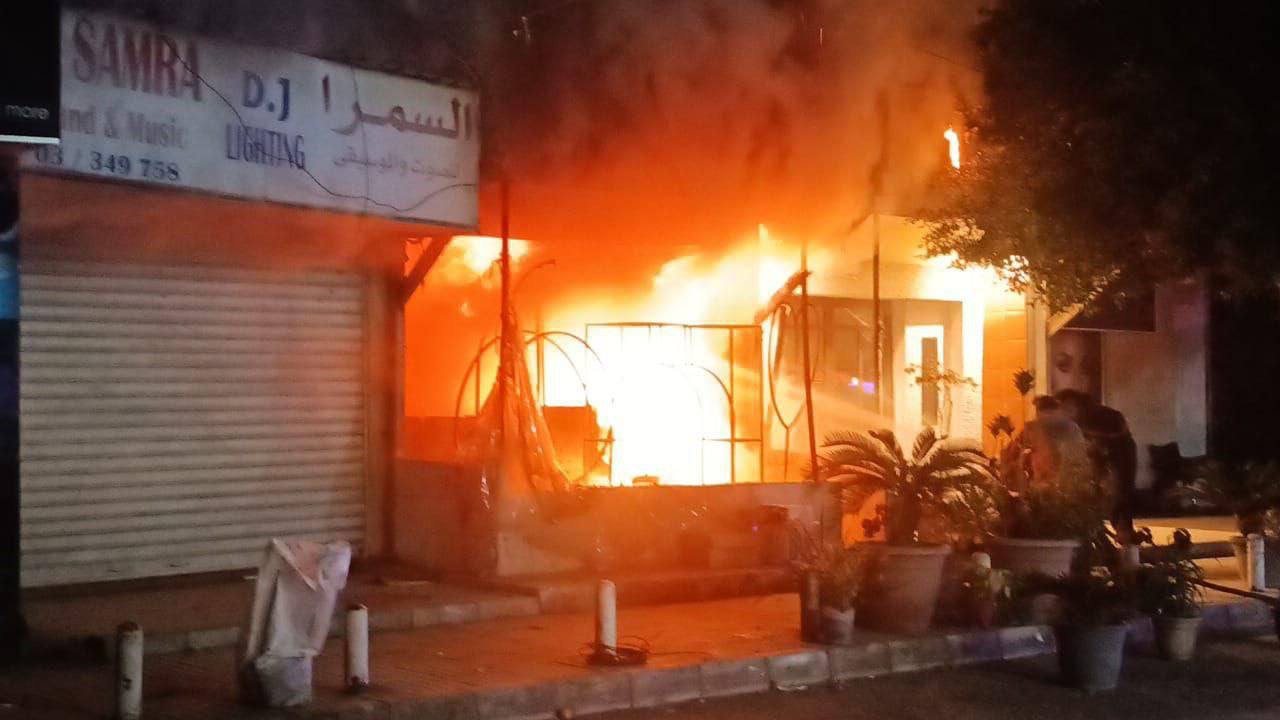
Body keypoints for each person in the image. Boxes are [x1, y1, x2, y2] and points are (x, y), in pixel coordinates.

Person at [1055, 389, 1138, 540]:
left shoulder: (1104, 415)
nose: (1064, 411)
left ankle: (1124, 532)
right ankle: (1103, 531)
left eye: (1067, 406)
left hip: (1121, 454)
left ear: (1076, 404)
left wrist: (1094, 439)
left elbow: (1119, 433)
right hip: (1101, 456)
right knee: (1097, 493)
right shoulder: (1078, 421)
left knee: (1120, 493)